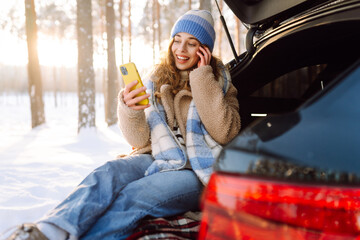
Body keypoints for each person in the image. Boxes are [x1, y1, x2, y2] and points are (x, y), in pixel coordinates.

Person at [5, 9, 241, 240]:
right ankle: (48, 231)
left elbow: (224, 132)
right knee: (108, 172)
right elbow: (139, 141)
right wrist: (130, 110)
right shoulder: (156, 79)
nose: (180, 49)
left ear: (205, 50)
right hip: (159, 157)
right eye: (177, 40)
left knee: (134, 195)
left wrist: (201, 78)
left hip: (198, 171)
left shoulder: (221, 84)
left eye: (191, 43)